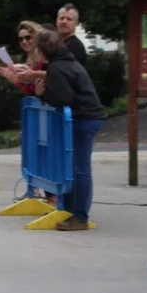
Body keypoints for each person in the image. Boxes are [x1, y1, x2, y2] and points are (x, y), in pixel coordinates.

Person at [33, 28, 104, 231]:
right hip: (89, 116)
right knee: (75, 167)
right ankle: (71, 209)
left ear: (42, 50)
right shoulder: (70, 62)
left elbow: (64, 98)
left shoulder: (56, 68)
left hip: (83, 118)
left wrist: (42, 94)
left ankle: (80, 216)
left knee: (80, 169)